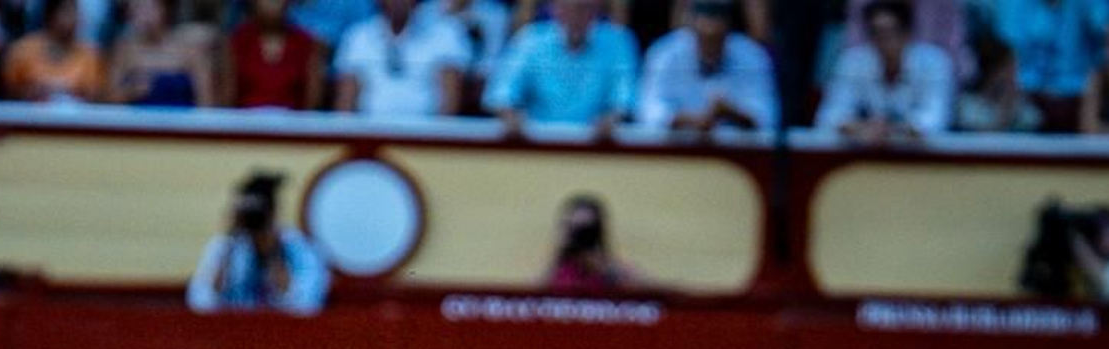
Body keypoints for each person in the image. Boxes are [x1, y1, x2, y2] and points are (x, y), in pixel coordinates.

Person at [487, 0, 639, 138]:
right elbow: (502, 91)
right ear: (555, 9)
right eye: (569, 8)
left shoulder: (619, 41)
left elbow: (624, 96)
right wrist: (510, 115)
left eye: (585, 8)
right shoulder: (530, 39)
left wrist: (613, 117)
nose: (577, 15)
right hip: (537, 144)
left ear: (597, 10)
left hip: (596, 147)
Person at [186, 170, 330, 311]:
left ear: (273, 213)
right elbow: (201, 302)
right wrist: (229, 244)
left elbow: (306, 305)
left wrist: (273, 251)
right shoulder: (224, 245)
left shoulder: (298, 247)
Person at [635, 0, 779, 134]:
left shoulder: (752, 55)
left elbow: (767, 117)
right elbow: (648, 110)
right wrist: (689, 120)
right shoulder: (665, 52)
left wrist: (731, 112)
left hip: (736, 154)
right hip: (675, 153)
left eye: (718, 17)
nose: (711, 30)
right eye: (705, 17)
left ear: (729, 24)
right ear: (691, 23)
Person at [813, 0, 954, 137]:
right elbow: (828, 118)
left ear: (907, 34)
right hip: (864, 150)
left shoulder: (935, 62)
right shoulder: (853, 61)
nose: (883, 39)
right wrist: (859, 127)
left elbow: (936, 120)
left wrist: (890, 130)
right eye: (875, 32)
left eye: (890, 31)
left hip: (920, 157)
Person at [332, 0, 469, 115]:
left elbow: (450, 102)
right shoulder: (358, 36)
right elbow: (346, 102)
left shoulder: (445, 34)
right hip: (370, 133)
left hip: (425, 135)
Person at [106, 0, 209, 103]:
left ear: (164, 9)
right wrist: (130, 91)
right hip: (140, 118)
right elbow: (108, 100)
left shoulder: (189, 49)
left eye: (148, 8)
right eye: (135, 9)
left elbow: (206, 100)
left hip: (182, 117)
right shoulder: (125, 49)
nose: (142, 15)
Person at [227, 0, 323, 106]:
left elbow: (313, 101)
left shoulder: (305, 43)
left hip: (293, 120)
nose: (272, 3)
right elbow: (228, 96)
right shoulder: (238, 41)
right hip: (245, 120)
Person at [1, 0, 105, 94]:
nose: (75, 18)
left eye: (76, 12)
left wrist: (73, 93)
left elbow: (94, 94)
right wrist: (30, 91)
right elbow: (9, 90)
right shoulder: (23, 50)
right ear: (51, 14)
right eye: (67, 11)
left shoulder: (89, 53)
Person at [543, 192, 639, 291]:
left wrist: (607, 269)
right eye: (575, 230)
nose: (581, 237)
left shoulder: (613, 270)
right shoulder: (558, 271)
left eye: (585, 231)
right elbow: (536, 294)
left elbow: (648, 294)